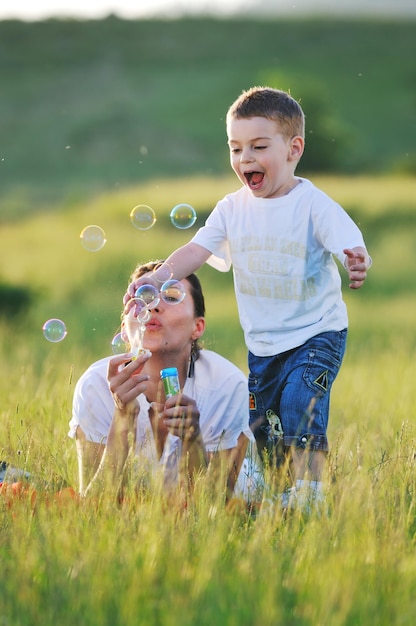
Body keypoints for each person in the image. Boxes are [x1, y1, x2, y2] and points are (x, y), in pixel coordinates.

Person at [127, 87, 372, 513]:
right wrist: (158, 276)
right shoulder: (231, 209)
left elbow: (347, 240)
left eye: (259, 147)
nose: (245, 159)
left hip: (317, 331)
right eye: (236, 148)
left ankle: (312, 492)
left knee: (301, 401)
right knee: (264, 422)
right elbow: (196, 251)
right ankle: (281, 490)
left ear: (294, 149)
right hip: (263, 343)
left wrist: (356, 259)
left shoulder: (313, 205)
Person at [69, 260, 260, 505]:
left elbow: (212, 507)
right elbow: (93, 505)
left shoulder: (226, 386)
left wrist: (193, 440)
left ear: (197, 326)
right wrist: (122, 417)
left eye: (170, 296)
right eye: (143, 298)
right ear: (125, 329)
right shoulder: (95, 386)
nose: (154, 306)